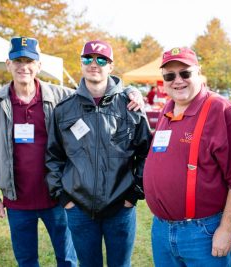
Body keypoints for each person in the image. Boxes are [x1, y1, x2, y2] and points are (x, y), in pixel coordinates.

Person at [0, 37, 143, 267]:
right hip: (18, 198)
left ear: (39, 65)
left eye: (29, 61)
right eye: (18, 61)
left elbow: (99, 90)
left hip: (54, 198)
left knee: (67, 259)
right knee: (26, 260)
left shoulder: (60, 96)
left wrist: (133, 91)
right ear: (8, 64)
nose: (23, 66)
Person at [45, 40, 152, 267]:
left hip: (121, 208)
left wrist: (133, 194)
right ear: (81, 64)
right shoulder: (64, 109)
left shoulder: (130, 106)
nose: (94, 64)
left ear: (111, 66)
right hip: (78, 208)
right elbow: (54, 156)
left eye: (102, 59)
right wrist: (64, 198)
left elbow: (147, 153)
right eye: (88, 59)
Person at [143, 47, 231, 266]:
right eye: (170, 75)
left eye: (185, 73)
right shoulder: (167, 109)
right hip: (161, 229)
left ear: (198, 72)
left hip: (202, 233)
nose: (177, 80)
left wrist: (226, 229)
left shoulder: (219, 109)